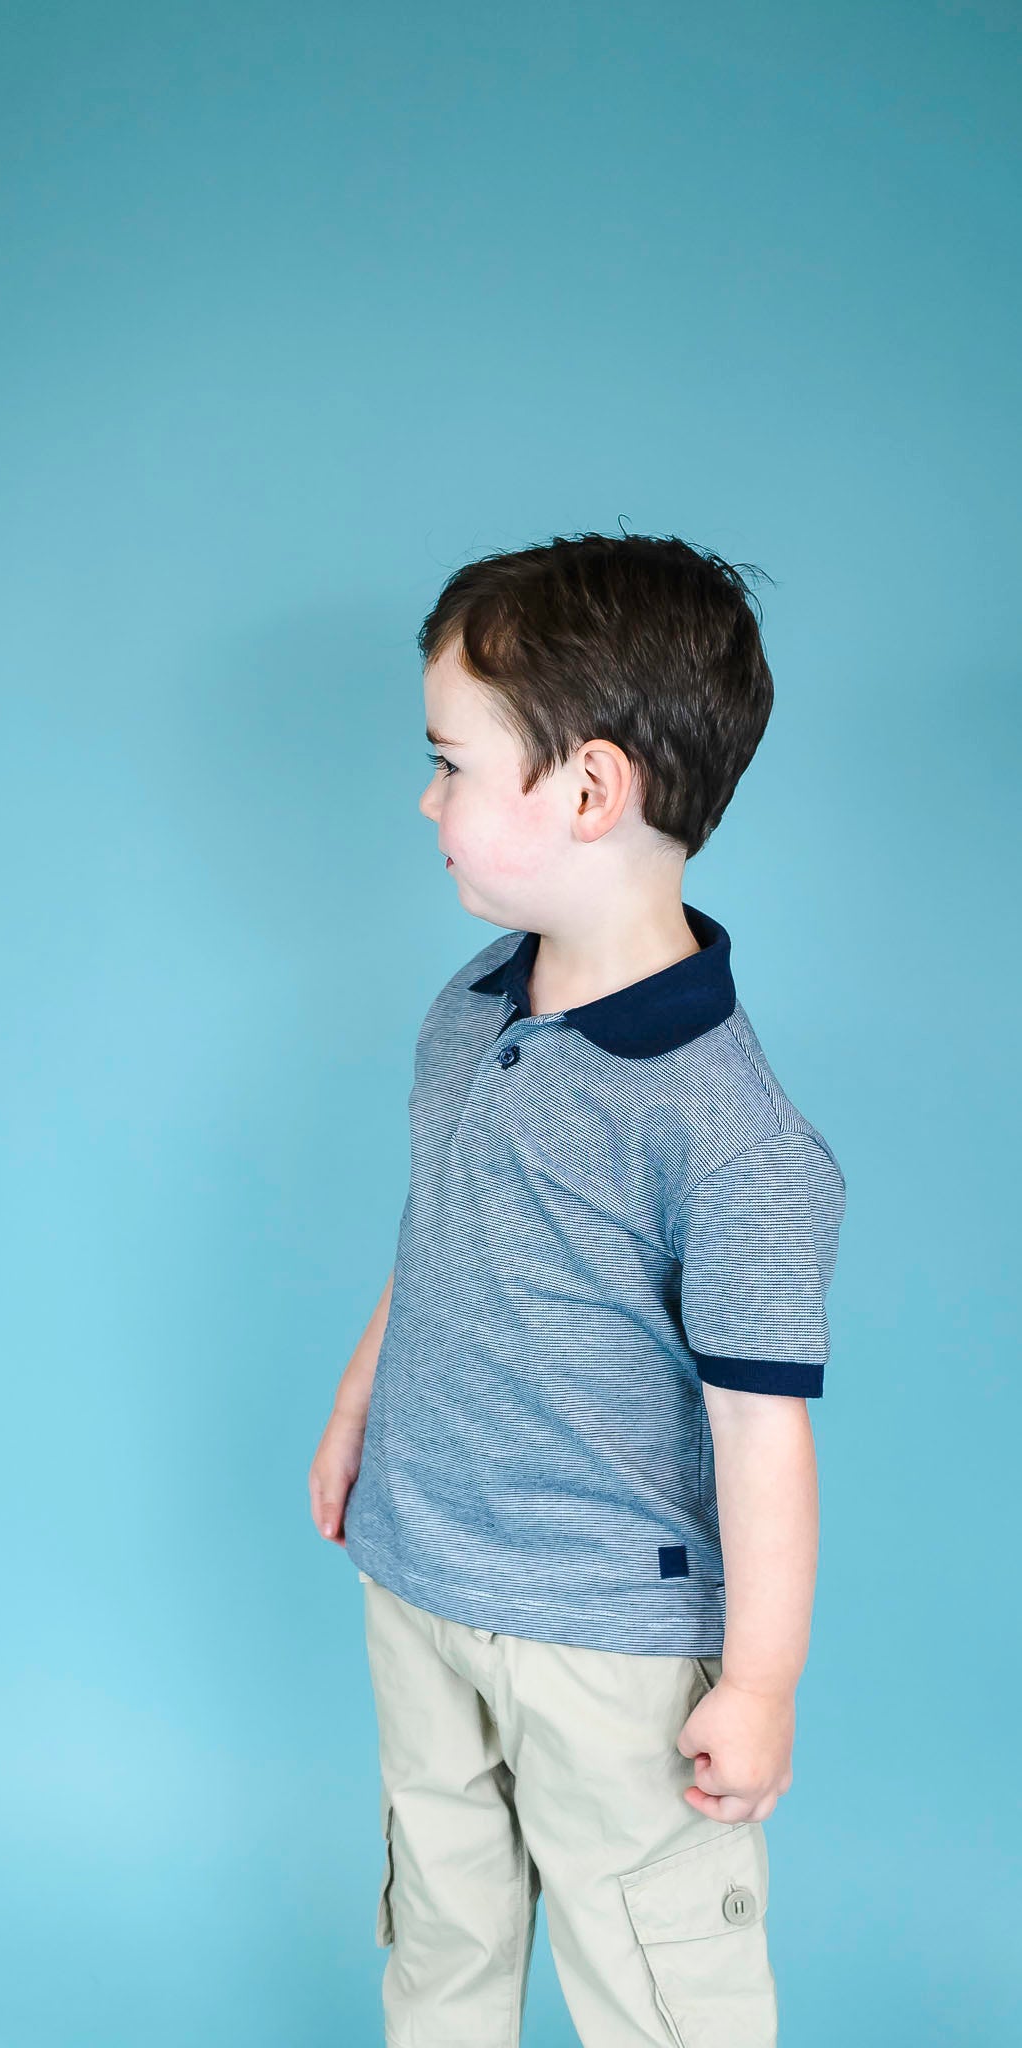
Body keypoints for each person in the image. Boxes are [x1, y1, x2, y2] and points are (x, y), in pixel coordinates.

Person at [308, 531, 847, 2047]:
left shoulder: (734, 1142)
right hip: (424, 1575)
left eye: (451, 764)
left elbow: (761, 1434)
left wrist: (760, 1685)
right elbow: (440, 1236)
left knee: (658, 1978)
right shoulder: (470, 1010)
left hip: (609, 1645)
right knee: (440, 1933)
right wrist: (357, 1411)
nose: (426, 801)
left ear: (591, 789)